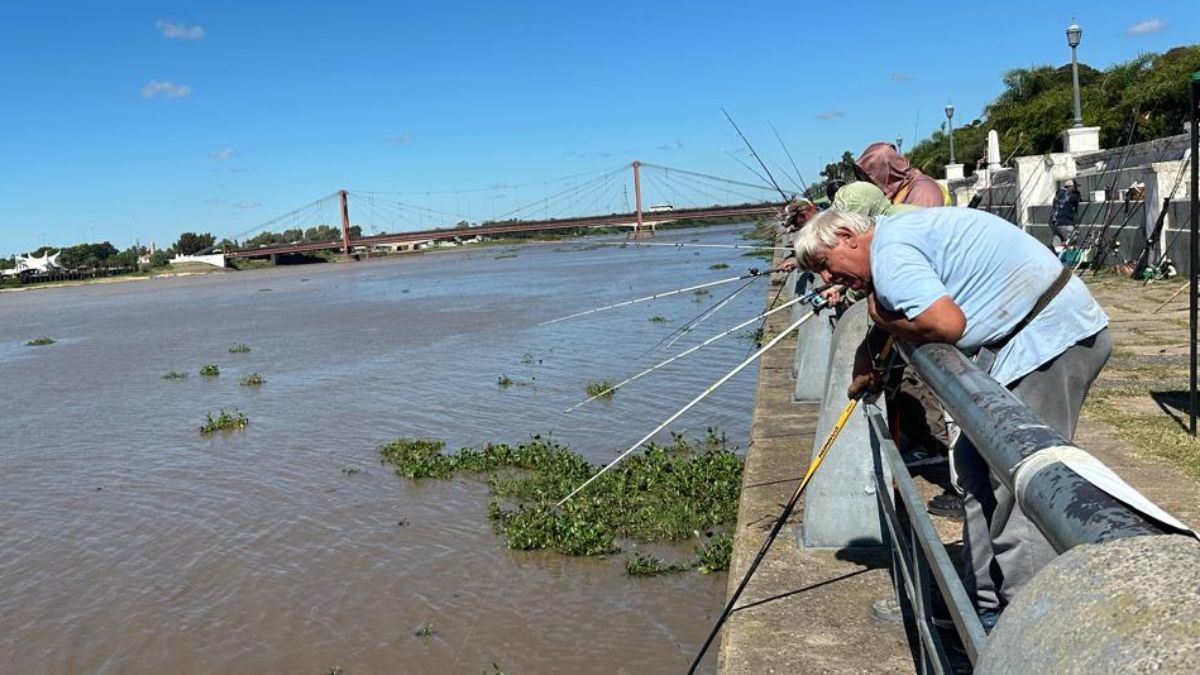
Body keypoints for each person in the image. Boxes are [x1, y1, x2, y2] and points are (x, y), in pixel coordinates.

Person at [793, 207, 1111, 629]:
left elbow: (946, 325)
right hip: (1026, 340)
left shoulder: (890, 255)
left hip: (1051, 341)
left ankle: (1026, 624)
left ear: (849, 237)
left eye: (824, 265)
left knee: (1017, 486)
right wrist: (870, 347)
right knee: (975, 469)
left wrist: (880, 317)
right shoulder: (893, 243)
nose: (827, 279)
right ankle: (984, 604)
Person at [854, 142, 950, 207]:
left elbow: (920, 231)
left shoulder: (923, 190)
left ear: (887, 173)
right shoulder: (898, 191)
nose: (869, 184)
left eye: (871, 179)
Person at [1049, 179, 1082, 250]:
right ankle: (1068, 259)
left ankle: (1053, 256)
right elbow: (1078, 199)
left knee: (1056, 244)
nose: (1076, 189)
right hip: (1065, 224)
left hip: (1055, 224)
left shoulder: (1058, 194)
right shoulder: (1072, 195)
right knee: (1071, 243)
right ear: (1071, 187)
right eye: (1075, 187)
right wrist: (1077, 193)